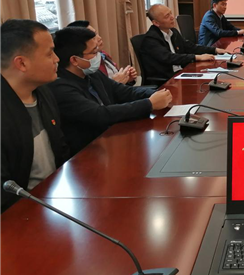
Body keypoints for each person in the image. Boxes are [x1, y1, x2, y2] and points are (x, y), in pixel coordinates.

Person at [49, 27, 172, 154]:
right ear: (75, 60)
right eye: (94, 52)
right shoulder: (61, 87)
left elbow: (124, 91)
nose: (99, 55)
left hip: (112, 137)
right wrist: (149, 104)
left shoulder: (92, 73)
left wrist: (157, 94)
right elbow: (100, 114)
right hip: (88, 151)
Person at [1, 20, 69, 212]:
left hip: (56, 197)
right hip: (20, 214)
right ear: (22, 63)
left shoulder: (44, 92)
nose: (57, 59)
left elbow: (61, 149)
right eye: (49, 53)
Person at [141, 4, 225, 82]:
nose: (172, 17)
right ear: (156, 23)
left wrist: (215, 50)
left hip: (180, 72)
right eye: (167, 16)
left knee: (215, 76)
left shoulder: (173, 32)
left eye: (171, 13)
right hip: (166, 79)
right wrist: (197, 57)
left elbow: (190, 47)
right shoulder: (151, 39)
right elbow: (169, 57)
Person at [67, 20, 137, 85]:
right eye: (93, 37)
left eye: (96, 33)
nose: (99, 38)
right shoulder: (88, 67)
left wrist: (126, 78)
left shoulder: (103, 55)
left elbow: (119, 86)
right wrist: (114, 83)